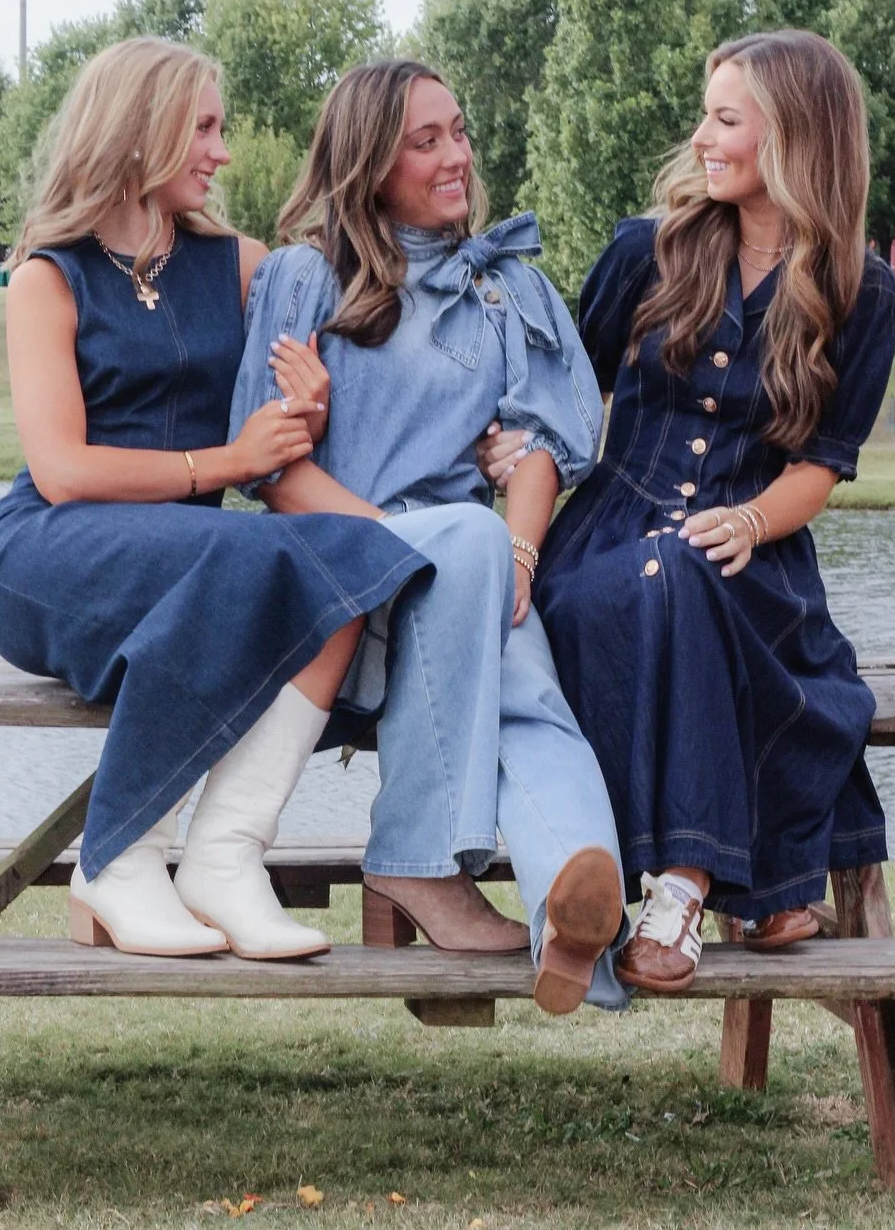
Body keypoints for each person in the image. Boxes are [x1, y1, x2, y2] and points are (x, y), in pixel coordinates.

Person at [0, 38, 434, 962]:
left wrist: (309, 406)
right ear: (140, 130)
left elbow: (352, 355)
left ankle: (225, 855)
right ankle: (120, 858)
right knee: (243, 557)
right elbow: (62, 470)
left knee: (351, 559)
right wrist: (225, 462)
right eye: (206, 128)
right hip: (46, 556)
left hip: (190, 565)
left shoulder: (242, 265)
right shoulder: (45, 277)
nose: (222, 151)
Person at [502, 28, 895, 993]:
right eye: (707, 116)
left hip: (755, 555)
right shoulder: (648, 249)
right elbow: (564, 398)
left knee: (703, 576)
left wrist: (755, 522)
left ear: (796, 138)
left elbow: (822, 463)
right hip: (608, 539)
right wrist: (510, 454)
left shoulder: (862, 290)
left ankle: (689, 884)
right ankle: (707, 886)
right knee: (668, 570)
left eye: (726, 119)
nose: (702, 137)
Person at [230, 59, 630, 1015]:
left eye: (460, 132)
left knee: (530, 693)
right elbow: (275, 470)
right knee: (470, 555)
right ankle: (417, 860)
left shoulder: (504, 289)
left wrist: (519, 554)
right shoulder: (306, 277)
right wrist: (417, 549)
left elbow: (537, 449)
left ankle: (570, 908)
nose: (457, 157)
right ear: (369, 163)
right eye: (427, 140)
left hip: (470, 585)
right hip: (339, 588)